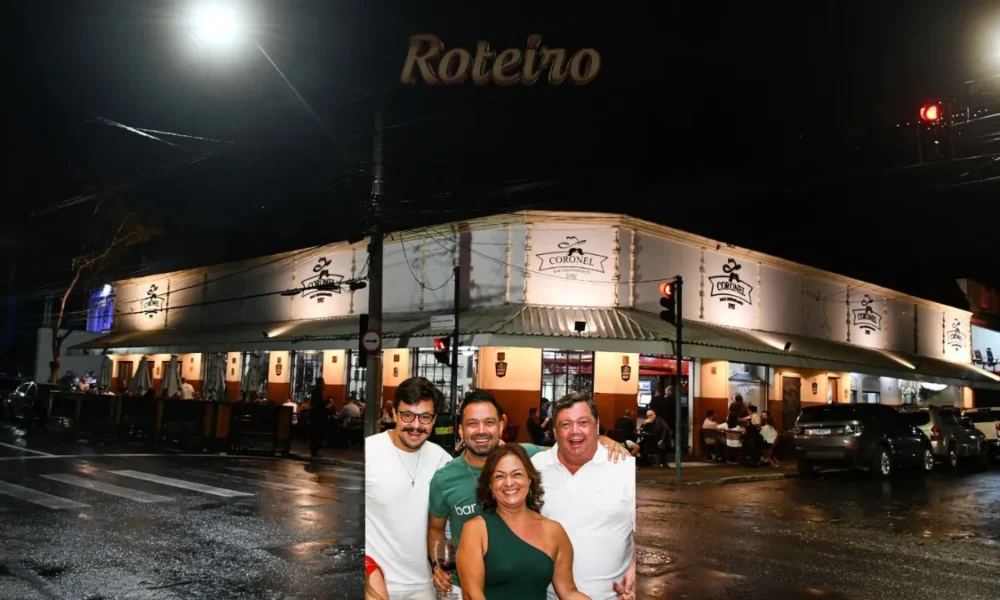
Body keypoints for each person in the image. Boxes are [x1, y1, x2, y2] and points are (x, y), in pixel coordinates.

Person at [429, 391, 627, 598]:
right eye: (472, 424)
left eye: (489, 422)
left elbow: (570, 445)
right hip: (465, 585)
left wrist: (600, 439)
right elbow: (436, 528)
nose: (509, 483)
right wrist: (437, 564)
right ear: (460, 430)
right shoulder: (445, 479)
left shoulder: (527, 455)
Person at [532, 393, 636, 600]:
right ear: (554, 431)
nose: (575, 431)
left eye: (583, 422)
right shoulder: (535, 467)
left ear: (597, 426)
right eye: (565, 424)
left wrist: (635, 569)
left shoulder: (625, 467)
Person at [456, 444, 591, 600]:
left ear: (530, 479)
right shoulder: (475, 529)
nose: (509, 483)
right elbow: (472, 594)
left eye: (517, 474)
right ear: (490, 485)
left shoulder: (554, 531)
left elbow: (568, 592)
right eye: (500, 476)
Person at [366, 377, 453, 600]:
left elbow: (447, 526)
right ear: (394, 414)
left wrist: (438, 564)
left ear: (434, 420)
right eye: (407, 415)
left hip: (424, 586)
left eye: (425, 417)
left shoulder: (443, 461)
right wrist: (366, 571)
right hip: (376, 584)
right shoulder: (370, 452)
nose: (416, 425)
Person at [309, 378, 327, 457]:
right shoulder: (318, 391)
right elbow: (318, 404)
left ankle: (315, 450)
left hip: (315, 416)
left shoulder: (316, 391)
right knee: (316, 433)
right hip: (317, 416)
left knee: (315, 433)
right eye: (323, 382)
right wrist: (325, 403)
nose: (325, 384)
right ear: (320, 383)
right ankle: (314, 450)